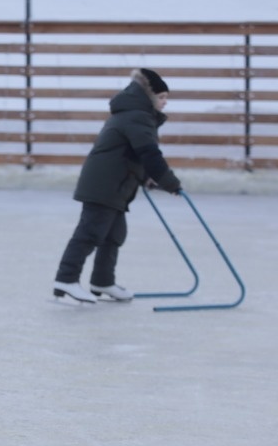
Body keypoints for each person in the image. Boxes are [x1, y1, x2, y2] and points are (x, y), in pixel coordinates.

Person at [52, 68, 182, 304]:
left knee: (113, 235)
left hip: (117, 186)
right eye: (162, 98)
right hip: (105, 185)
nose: (165, 103)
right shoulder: (137, 116)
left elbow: (129, 154)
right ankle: (65, 280)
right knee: (90, 233)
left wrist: (148, 179)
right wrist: (169, 181)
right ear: (149, 96)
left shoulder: (135, 115)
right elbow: (149, 154)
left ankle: (102, 281)